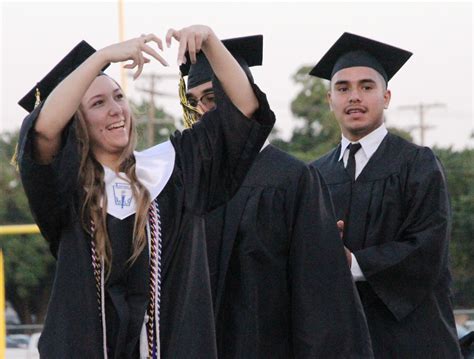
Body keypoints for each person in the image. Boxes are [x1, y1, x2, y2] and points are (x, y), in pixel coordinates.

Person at [16, 25, 275, 358]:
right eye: (97, 103)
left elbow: (244, 110)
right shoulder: (66, 192)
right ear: (75, 122)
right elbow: (44, 133)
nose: (116, 110)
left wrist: (210, 41)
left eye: (119, 97)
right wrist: (103, 57)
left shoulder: (175, 170)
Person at [179, 35, 373, 358]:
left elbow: (321, 304)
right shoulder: (186, 182)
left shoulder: (292, 180)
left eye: (212, 97)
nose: (201, 110)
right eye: (193, 100)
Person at [310, 32, 462, 357]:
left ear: (386, 97)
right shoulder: (315, 175)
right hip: (343, 340)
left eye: (367, 87)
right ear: (330, 100)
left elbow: (427, 247)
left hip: (411, 339)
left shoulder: (416, 163)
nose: (354, 97)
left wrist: (352, 262)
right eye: (343, 88)